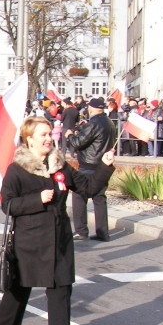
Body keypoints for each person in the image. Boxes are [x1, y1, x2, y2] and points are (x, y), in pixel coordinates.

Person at [0, 116, 114, 325]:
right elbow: (8, 204)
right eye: (43, 135)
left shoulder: (60, 166)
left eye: (50, 134)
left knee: (61, 296)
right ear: (29, 139)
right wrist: (37, 199)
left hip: (60, 243)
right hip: (29, 244)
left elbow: (88, 188)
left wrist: (104, 166)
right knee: (18, 292)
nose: (49, 139)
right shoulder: (17, 169)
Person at [65, 97, 116, 242]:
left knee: (79, 195)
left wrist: (70, 135)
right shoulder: (109, 122)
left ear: (92, 108)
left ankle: (81, 231)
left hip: (88, 165)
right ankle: (102, 232)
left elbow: (78, 143)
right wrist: (83, 128)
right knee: (99, 197)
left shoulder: (93, 124)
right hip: (103, 164)